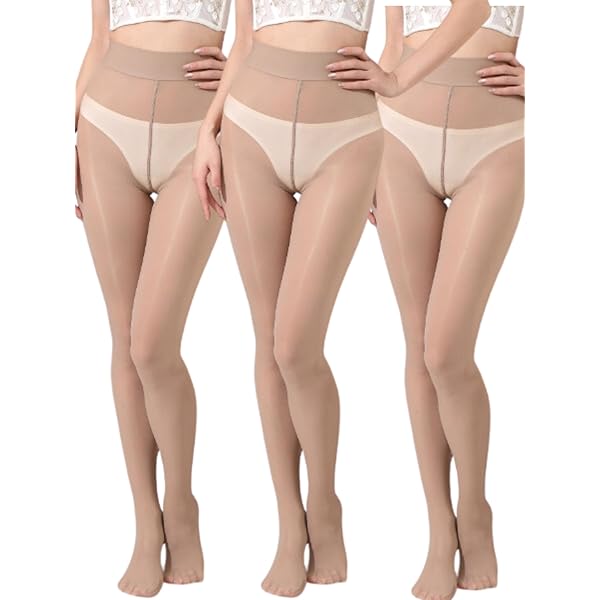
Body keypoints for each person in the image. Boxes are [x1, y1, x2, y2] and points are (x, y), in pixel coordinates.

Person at [192, 0, 489, 596]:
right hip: (248, 124)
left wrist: (397, 82)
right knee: (268, 339)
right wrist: (207, 130)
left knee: (295, 343)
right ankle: (289, 523)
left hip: (347, 132)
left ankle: (325, 503)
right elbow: (243, 40)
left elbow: (469, 10)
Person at [75, 0, 230, 595]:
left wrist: (244, 80)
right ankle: (145, 521)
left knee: (153, 344)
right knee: (124, 337)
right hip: (106, 123)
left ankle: (181, 502)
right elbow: (99, 37)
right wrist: (74, 134)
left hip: (199, 135)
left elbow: (272, 31)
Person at [370, 5, 525, 600]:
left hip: (496, 143)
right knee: (418, 345)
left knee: (446, 351)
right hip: (397, 140)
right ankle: (439, 529)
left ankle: (474, 508)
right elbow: (392, 45)